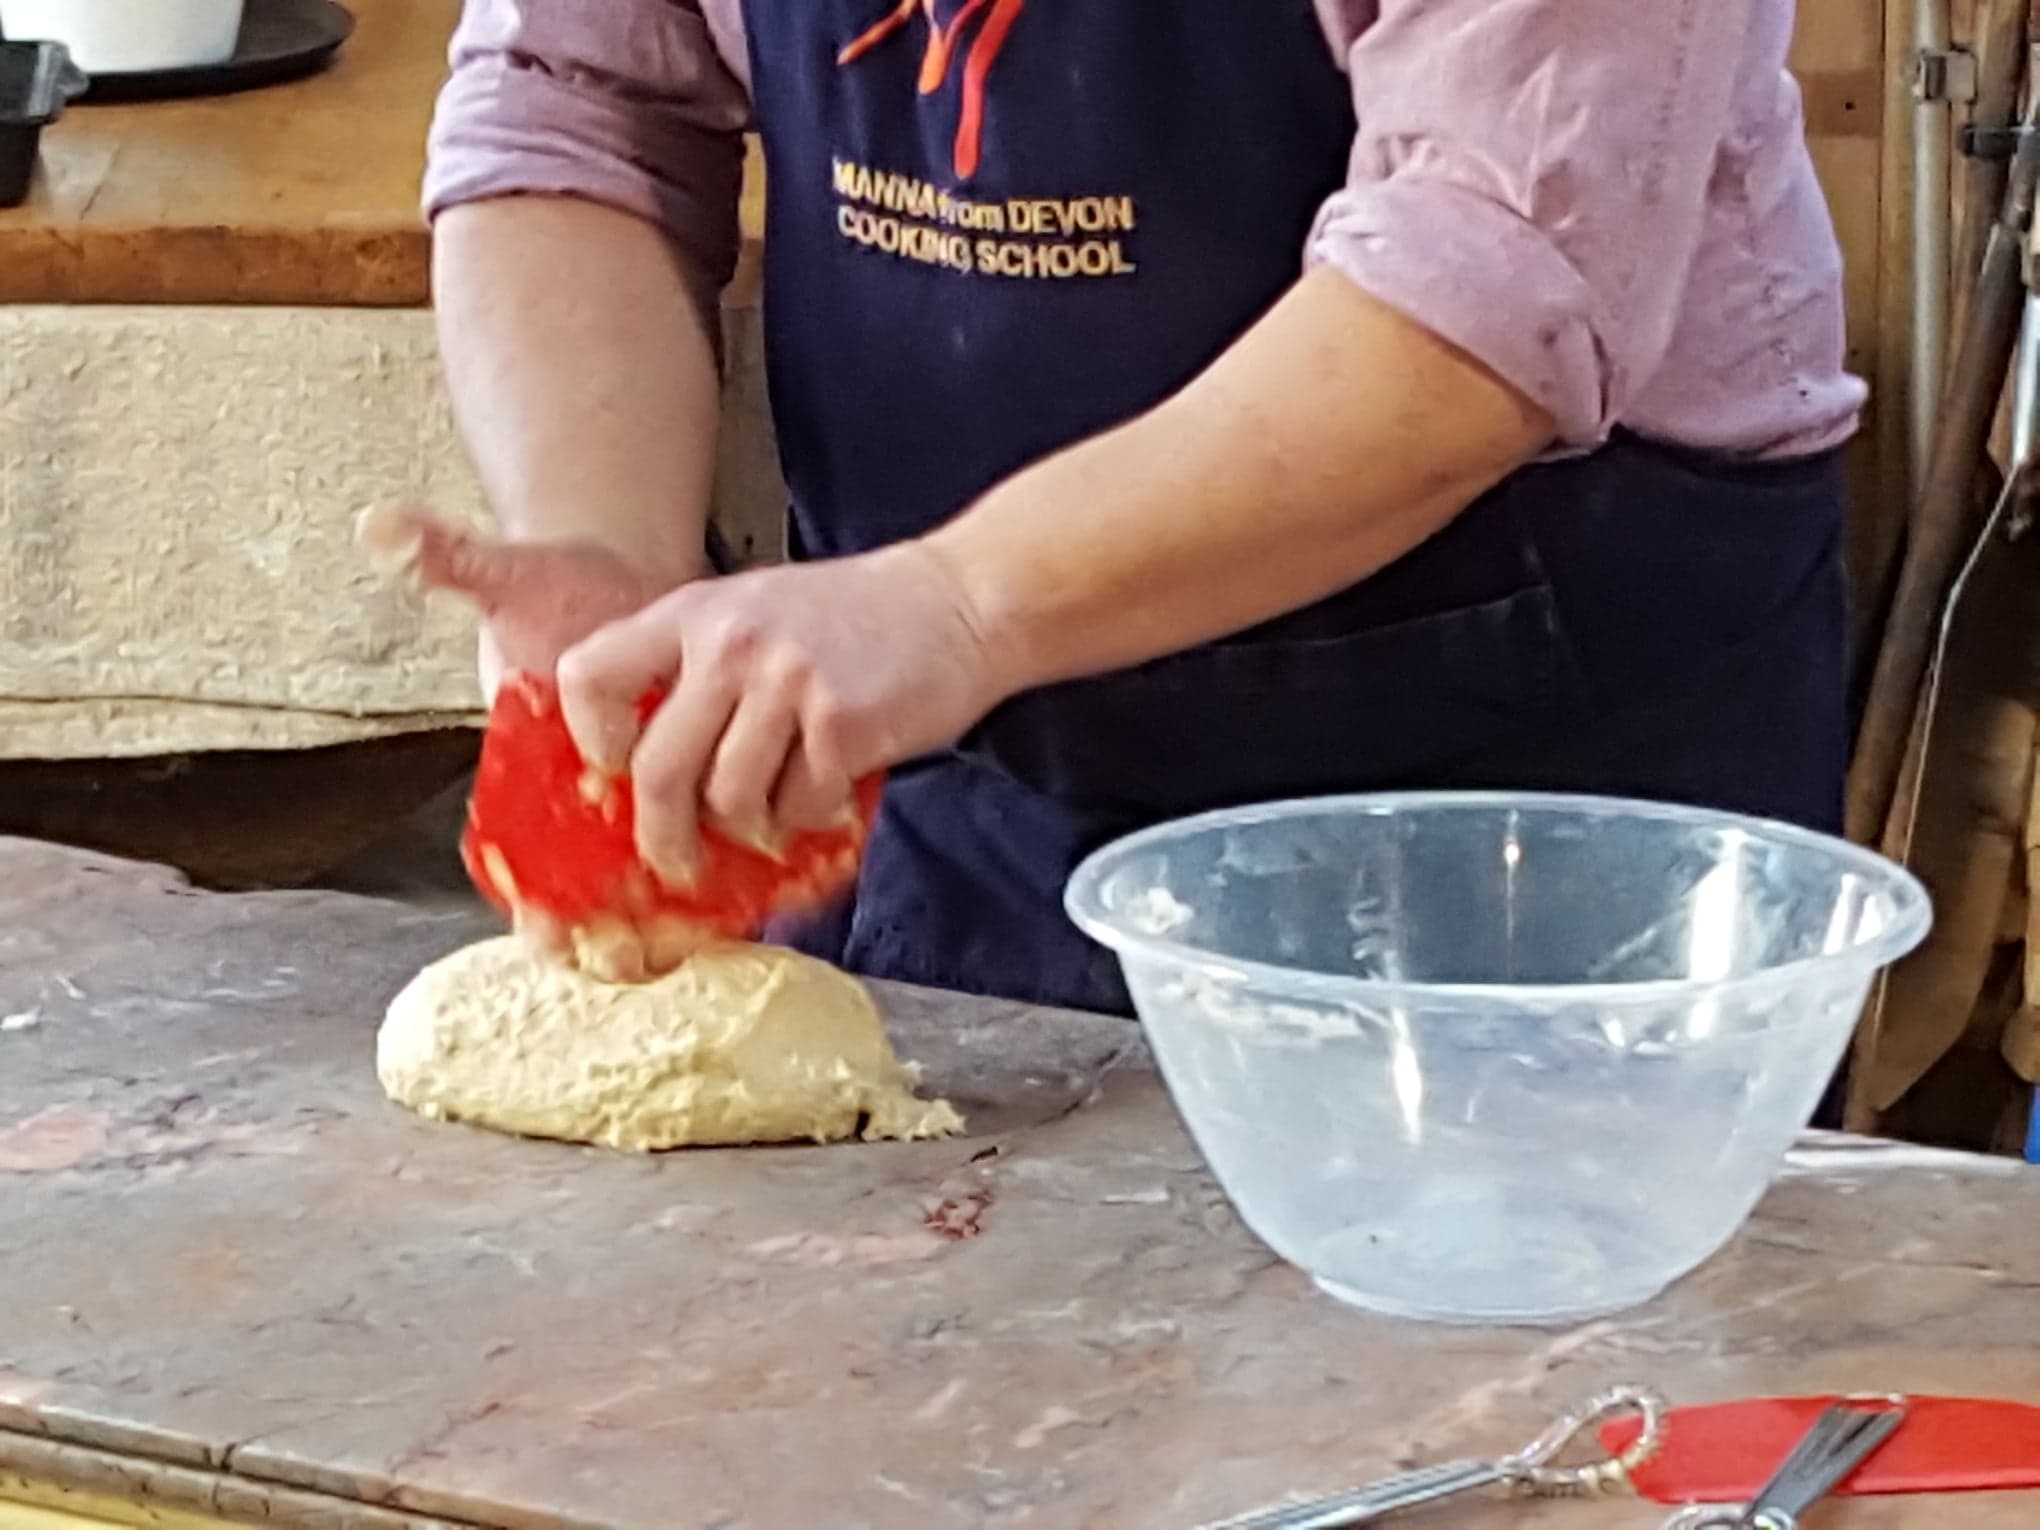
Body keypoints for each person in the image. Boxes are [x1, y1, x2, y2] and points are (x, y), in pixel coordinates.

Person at [397, 0, 1863, 1014]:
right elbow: (580, 97)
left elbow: (1487, 271)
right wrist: (606, 539)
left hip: (1512, 812)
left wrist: (958, 604)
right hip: (985, 791)